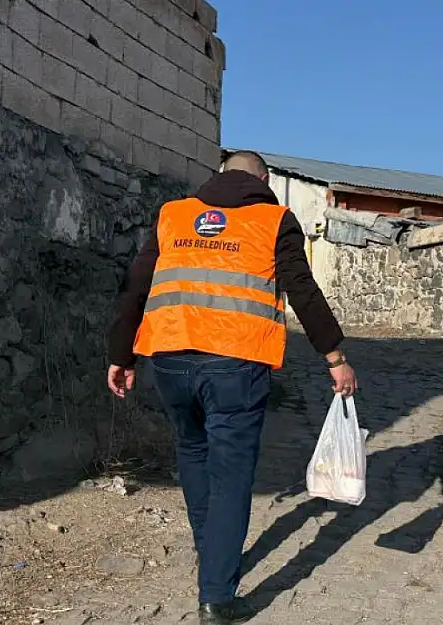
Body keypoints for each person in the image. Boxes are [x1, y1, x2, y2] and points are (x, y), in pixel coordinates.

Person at [105, 151, 357, 625]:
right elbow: (302, 289)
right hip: (237, 365)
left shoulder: (174, 214)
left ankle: (212, 554)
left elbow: (135, 287)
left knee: (193, 454)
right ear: (263, 180)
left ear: (220, 175)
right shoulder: (274, 219)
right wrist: (335, 357)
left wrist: (121, 356)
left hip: (172, 360)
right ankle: (217, 597)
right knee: (232, 474)